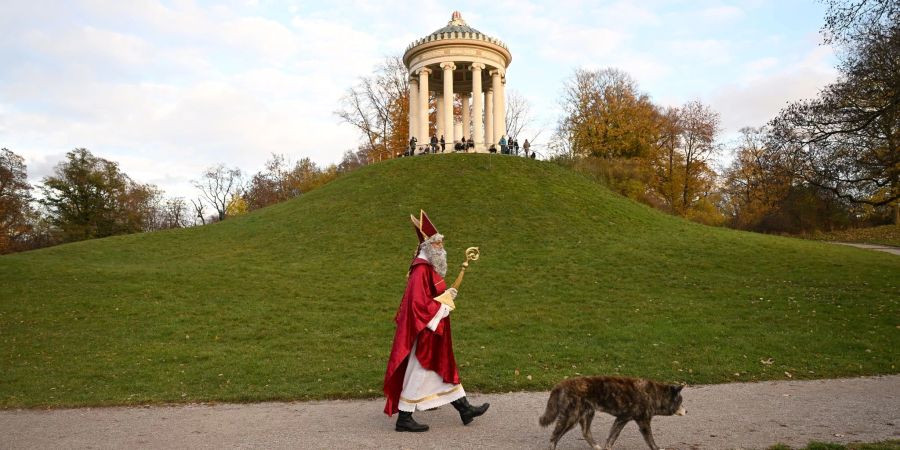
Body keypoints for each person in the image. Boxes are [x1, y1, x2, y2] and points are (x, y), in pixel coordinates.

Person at [383, 210, 490, 432]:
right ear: (429, 246)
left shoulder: (428, 268)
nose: (442, 248)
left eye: (441, 243)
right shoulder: (420, 270)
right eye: (438, 244)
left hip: (432, 329)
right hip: (424, 331)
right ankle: (404, 417)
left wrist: (447, 294)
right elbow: (417, 305)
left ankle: (465, 409)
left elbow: (429, 296)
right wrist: (443, 304)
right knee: (422, 371)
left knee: (441, 369)